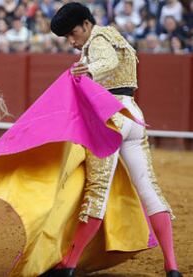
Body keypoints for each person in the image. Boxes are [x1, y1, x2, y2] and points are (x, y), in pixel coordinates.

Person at [40, 2, 182, 277]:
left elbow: (108, 62)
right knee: (149, 190)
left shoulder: (98, 39)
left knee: (97, 193)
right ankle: (172, 267)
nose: (71, 40)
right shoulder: (116, 36)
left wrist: (88, 70)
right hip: (133, 116)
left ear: (85, 24)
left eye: (73, 33)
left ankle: (67, 266)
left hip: (109, 120)